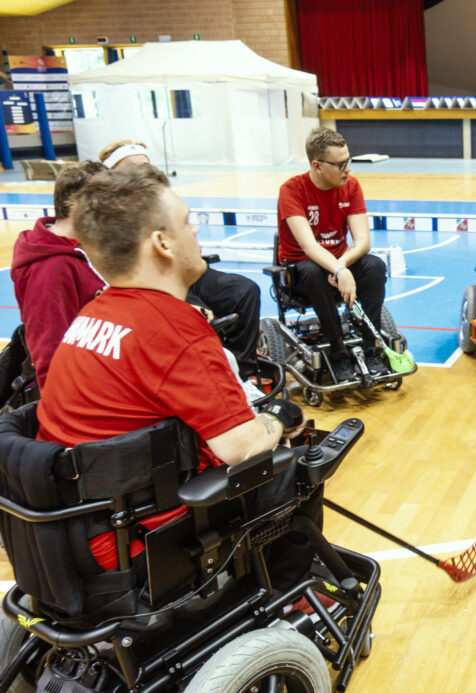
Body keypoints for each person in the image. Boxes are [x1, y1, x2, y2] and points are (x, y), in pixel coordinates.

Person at [36, 164, 312, 581]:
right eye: (187, 222)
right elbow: (242, 448)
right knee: (297, 464)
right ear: (162, 242)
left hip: (69, 530)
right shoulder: (172, 329)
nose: (196, 231)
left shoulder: (92, 315)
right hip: (137, 543)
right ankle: (293, 598)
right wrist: (279, 419)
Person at [99, 139, 262, 380]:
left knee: (244, 290)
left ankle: (243, 374)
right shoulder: (111, 217)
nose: (144, 171)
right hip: (157, 281)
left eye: (147, 165)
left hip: (184, 272)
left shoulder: (162, 201)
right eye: (135, 166)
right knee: (195, 311)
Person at [277, 127, 387, 376]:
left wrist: (343, 264)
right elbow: (309, 247)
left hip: (338, 263)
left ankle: (371, 349)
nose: (348, 169)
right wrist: (338, 269)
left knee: (375, 266)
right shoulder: (291, 190)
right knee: (313, 270)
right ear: (317, 166)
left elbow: (363, 241)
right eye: (340, 164)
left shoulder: (351, 185)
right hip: (302, 270)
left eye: (348, 161)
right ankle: (338, 353)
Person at [11, 161, 106, 390]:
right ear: (79, 204)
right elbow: (49, 354)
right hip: (81, 393)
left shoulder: (79, 247)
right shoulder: (50, 267)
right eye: (109, 202)